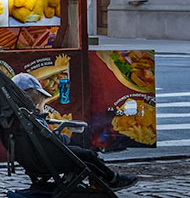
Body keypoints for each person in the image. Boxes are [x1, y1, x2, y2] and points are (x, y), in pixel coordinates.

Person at [9, 72, 139, 190]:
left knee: (82, 150)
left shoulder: (15, 118)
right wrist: (64, 137)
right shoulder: (33, 120)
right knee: (88, 155)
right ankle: (111, 179)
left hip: (33, 159)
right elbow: (51, 141)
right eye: (43, 105)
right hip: (47, 158)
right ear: (36, 105)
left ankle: (95, 179)